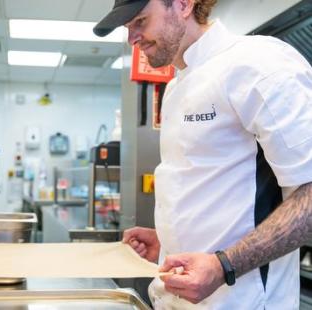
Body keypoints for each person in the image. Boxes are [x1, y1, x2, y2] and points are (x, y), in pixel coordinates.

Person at [94, 0, 312, 309]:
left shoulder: (259, 64)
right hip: (173, 299)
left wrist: (224, 265)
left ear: (183, 4)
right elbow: (215, 190)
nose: (132, 39)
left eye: (140, 21)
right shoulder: (174, 89)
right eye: (128, 28)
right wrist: (168, 241)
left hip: (242, 302)